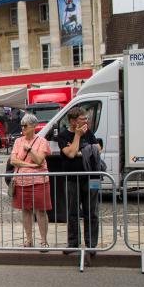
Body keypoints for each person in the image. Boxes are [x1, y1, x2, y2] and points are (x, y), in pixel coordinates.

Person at [57, 106, 102, 254]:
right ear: (73, 121)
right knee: (73, 212)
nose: (86, 121)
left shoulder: (88, 132)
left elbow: (97, 148)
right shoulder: (63, 135)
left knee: (92, 211)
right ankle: (73, 243)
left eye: (86, 118)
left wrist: (80, 150)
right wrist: (77, 137)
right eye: (83, 119)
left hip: (91, 177)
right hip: (72, 178)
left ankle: (91, 245)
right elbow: (70, 154)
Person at [10, 114, 52, 249]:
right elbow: (13, 161)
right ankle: (29, 239)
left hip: (39, 181)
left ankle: (44, 240)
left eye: (25, 126)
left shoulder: (42, 141)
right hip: (22, 181)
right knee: (25, 211)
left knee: (41, 211)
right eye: (22, 125)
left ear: (33, 126)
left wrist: (29, 149)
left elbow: (39, 160)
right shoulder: (18, 141)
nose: (23, 128)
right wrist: (31, 165)